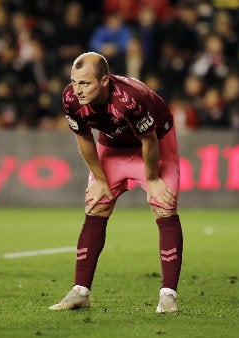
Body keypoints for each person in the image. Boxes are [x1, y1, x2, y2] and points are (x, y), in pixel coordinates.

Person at [48, 52, 183, 312]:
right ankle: (80, 292)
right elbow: (85, 138)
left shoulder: (131, 99)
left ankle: (168, 296)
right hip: (113, 144)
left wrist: (153, 178)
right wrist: (99, 179)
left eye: (85, 83)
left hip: (155, 141)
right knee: (96, 205)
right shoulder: (70, 99)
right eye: (74, 82)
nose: (77, 90)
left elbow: (149, 140)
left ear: (105, 81)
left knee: (164, 204)